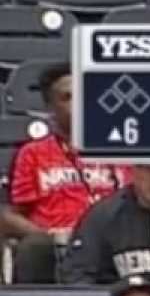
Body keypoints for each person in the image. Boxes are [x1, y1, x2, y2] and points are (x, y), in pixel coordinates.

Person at [0, 63, 130, 284]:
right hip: (54, 246)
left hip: (108, 244)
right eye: (67, 97)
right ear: (51, 107)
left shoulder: (115, 151)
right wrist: (49, 236)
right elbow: (8, 217)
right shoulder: (32, 154)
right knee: (35, 248)